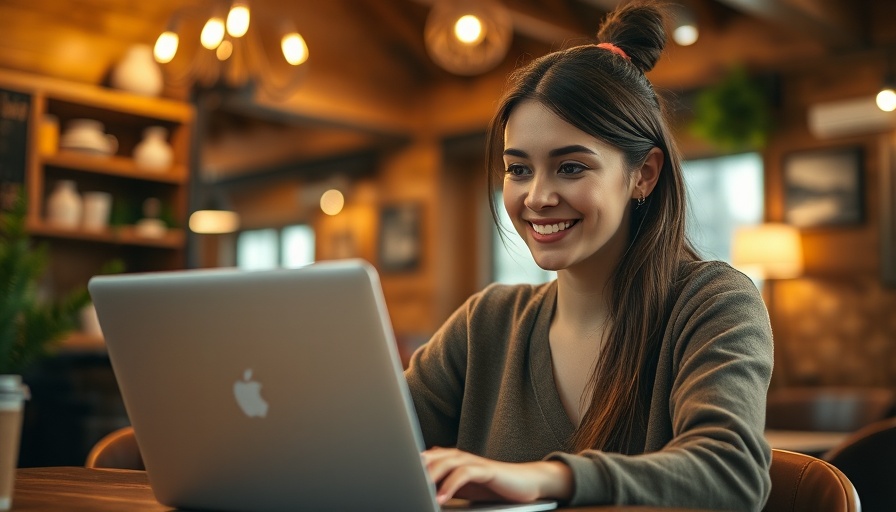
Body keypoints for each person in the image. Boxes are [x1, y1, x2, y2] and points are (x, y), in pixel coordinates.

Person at [403, 1, 774, 511]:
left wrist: (548, 479)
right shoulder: (484, 325)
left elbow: (732, 475)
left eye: (571, 168)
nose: (536, 197)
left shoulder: (712, 303)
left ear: (643, 174)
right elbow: (367, 447)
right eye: (518, 170)